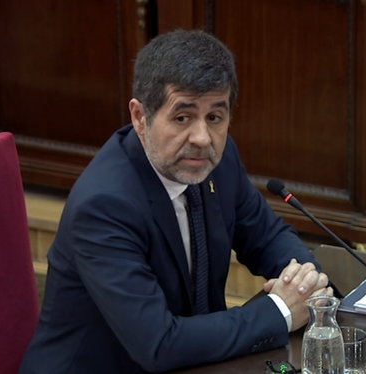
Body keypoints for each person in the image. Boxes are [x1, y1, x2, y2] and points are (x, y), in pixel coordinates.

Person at [19, 29, 333, 373]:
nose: (202, 138)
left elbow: (267, 237)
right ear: (140, 117)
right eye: (182, 117)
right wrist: (282, 311)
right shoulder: (104, 206)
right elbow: (159, 344)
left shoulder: (219, 161)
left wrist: (304, 282)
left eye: (215, 117)